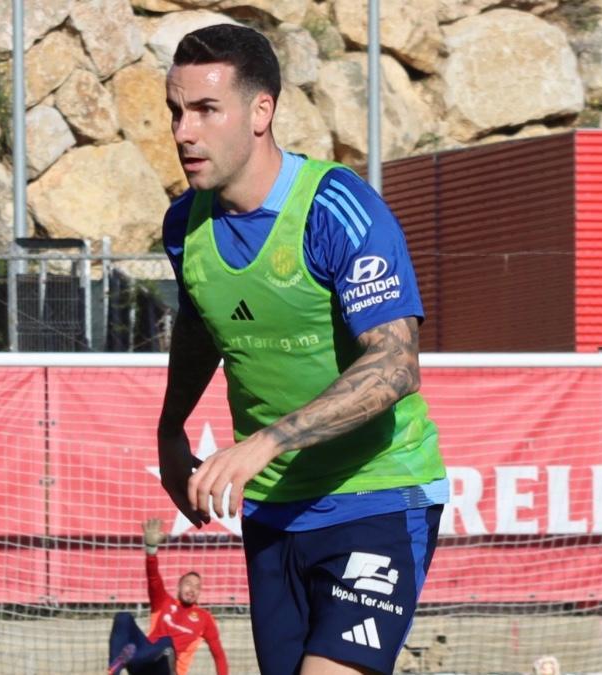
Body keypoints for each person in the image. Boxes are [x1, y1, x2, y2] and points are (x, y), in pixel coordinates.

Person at [154, 24, 447, 675]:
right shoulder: (184, 225)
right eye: (175, 111)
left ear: (262, 111)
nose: (183, 131)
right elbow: (205, 322)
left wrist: (267, 440)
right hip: (275, 510)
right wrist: (170, 427)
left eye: (205, 110)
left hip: (378, 493)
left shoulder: (336, 209)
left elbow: (396, 365)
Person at [108, 518, 228, 675]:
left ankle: (130, 656)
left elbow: (219, 655)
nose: (192, 589)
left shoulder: (205, 618)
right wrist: (151, 550)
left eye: (197, 587)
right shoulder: (163, 602)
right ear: (179, 586)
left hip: (168, 669)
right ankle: (114, 670)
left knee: (167, 644)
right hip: (145, 660)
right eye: (188, 584)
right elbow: (153, 579)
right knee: (123, 617)